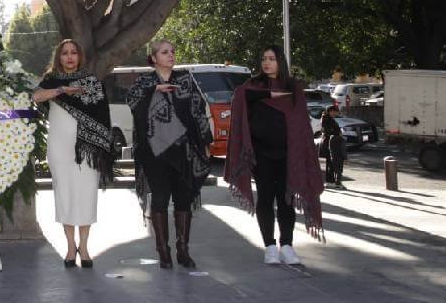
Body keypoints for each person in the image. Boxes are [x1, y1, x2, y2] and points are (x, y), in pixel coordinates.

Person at [225, 45, 324, 266]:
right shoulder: (252, 86)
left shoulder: (294, 88)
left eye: (271, 58)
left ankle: (286, 246)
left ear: (281, 61)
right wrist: (269, 94)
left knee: (286, 199)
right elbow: (240, 97)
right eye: (263, 59)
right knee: (266, 198)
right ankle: (270, 247)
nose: (266, 63)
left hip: (290, 154)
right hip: (261, 154)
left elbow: (301, 124)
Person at [125, 40, 212, 269]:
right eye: (165, 52)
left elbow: (198, 109)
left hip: (184, 150)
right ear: (154, 58)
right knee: (161, 198)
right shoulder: (145, 82)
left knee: (183, 199)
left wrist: (205, 141)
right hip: (154, 152)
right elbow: (132, 101)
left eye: (172, 52)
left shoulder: (185, 78)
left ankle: (183, 250)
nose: (171, 55)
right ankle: (163, 251)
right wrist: (154, 90)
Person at [32, 40, 116, 269]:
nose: (69, 57)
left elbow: (102, 117)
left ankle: (85, 247)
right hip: (59, 147)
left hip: (88, 150)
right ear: (59, 57)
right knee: (65, 194)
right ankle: (70, 247)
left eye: (74, 53)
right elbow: (36, 97)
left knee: (86, 195)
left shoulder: (91, 82)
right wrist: (61, 90)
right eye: (65, 53)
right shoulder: (51, 82)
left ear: (80, 57)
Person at [320, 105, 347, 188]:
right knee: (331, 162)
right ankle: (330, 181)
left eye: (336, 112)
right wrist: (337, 133)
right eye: (334, 111)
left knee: (333, 162)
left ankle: (334, 181)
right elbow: (328, 131)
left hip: (333, 142)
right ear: (330, 111)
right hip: (329, 142)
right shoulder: (326, 119)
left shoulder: (330, 119)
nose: (335, 113)